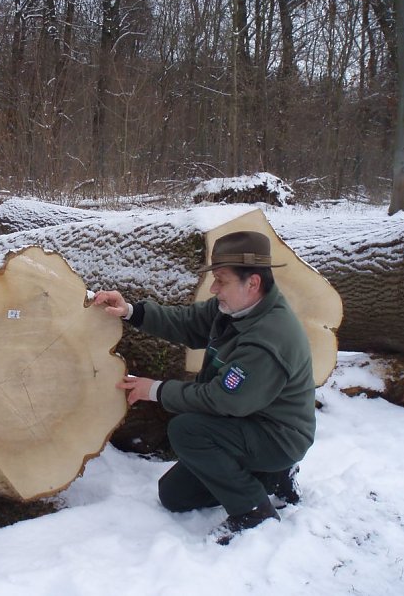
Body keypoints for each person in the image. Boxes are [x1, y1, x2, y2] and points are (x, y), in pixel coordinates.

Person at [93, 230, 315, 545]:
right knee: (173, 495)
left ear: (252, 283)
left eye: (221, 281)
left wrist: (154, 390)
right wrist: (130, 311)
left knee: (187, 430)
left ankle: (253, 511)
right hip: (245, 421)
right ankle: (273, 478)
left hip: (277, 436)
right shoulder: (235, 309)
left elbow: (224, 399)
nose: (214, 289)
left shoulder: (268, 338)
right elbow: (186, 322)